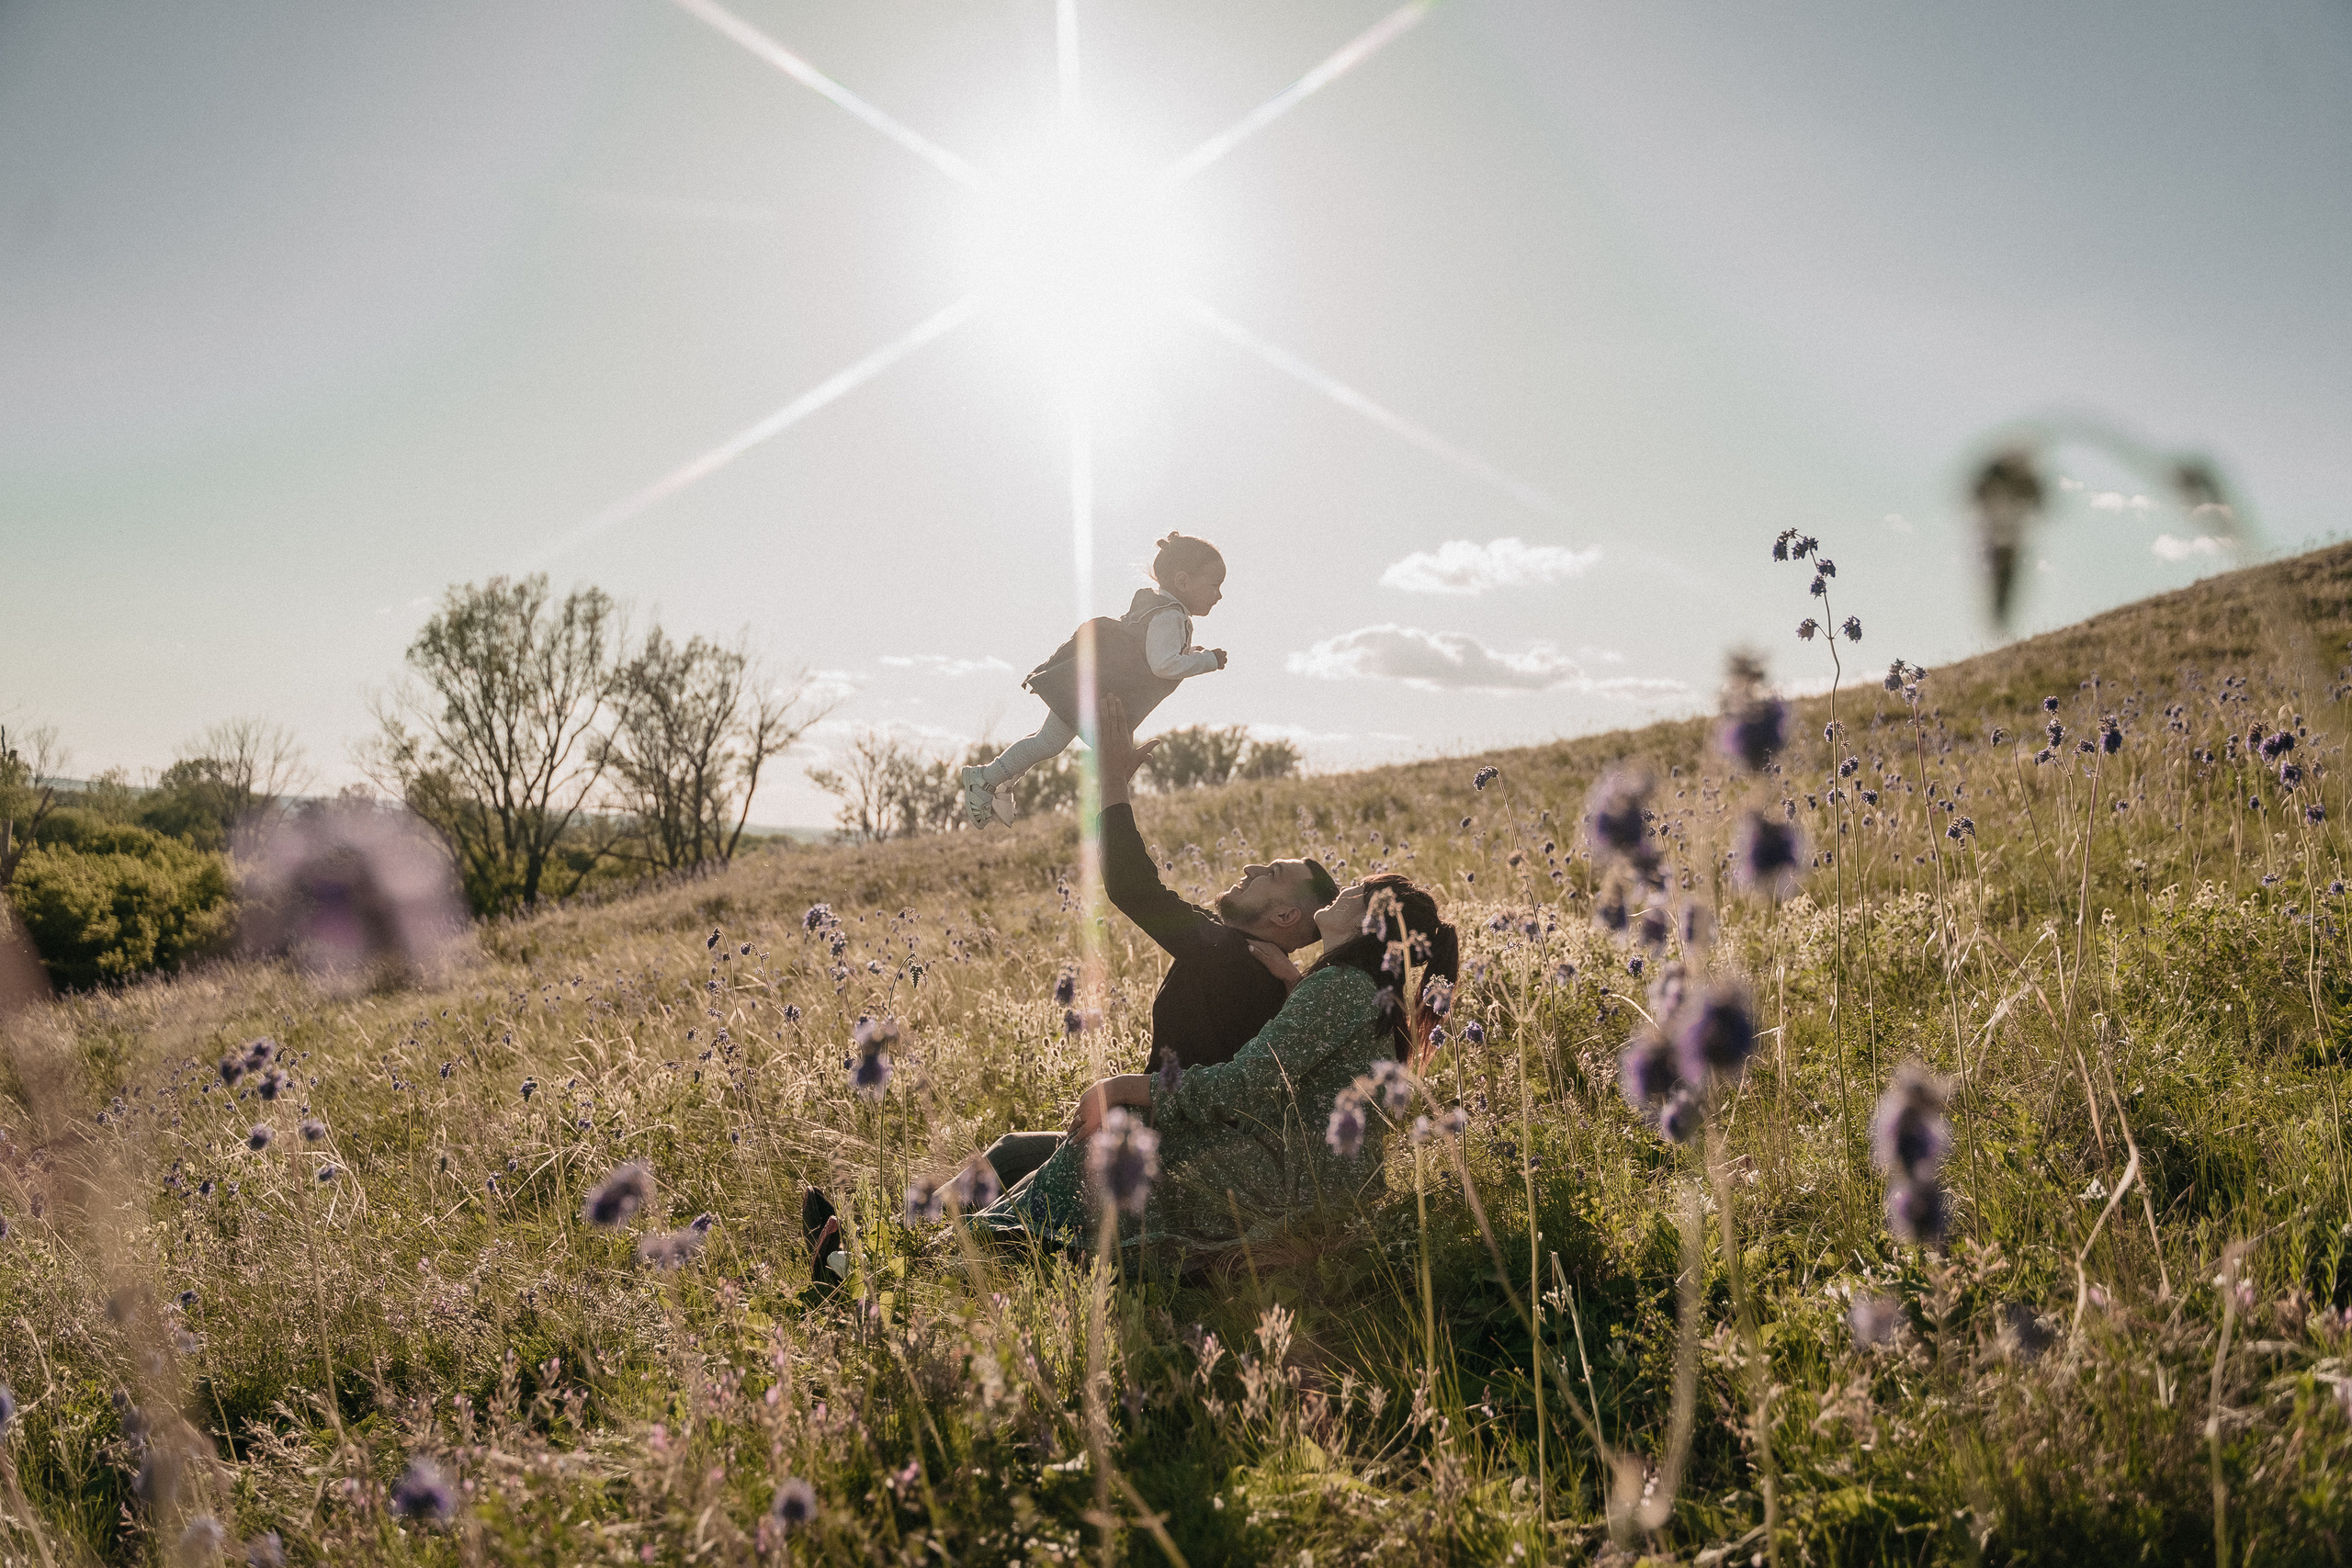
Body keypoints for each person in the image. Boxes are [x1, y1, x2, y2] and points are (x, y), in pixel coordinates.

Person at [964, 872, 1460, 1272]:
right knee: (1061, 1151)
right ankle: (978, 1235)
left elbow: (1240, 1086)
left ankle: (980, 1249)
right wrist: (1294, 982)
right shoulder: (1362, 990)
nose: (1345, 887)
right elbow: (1306, 1065)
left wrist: (1118, 1088)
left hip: (1294, 1187)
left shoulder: (1338, 988)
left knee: (1099, 1151)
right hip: (1322, 1178)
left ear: (1367, 923)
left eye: (1357, 891)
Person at [960, 532, 1229, 829]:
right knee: (1048, 742)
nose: (1219, 595)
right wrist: (1207, 661)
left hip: (1092, 683)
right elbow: (1163, 664)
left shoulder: (1161, 610)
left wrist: (1193, 652)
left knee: (1046, 739)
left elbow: (1152, 651)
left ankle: (1000, 781)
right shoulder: (1168, 616)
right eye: (1214, 585)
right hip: (1094, 689)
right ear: (1183, 581)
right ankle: (985, 779)